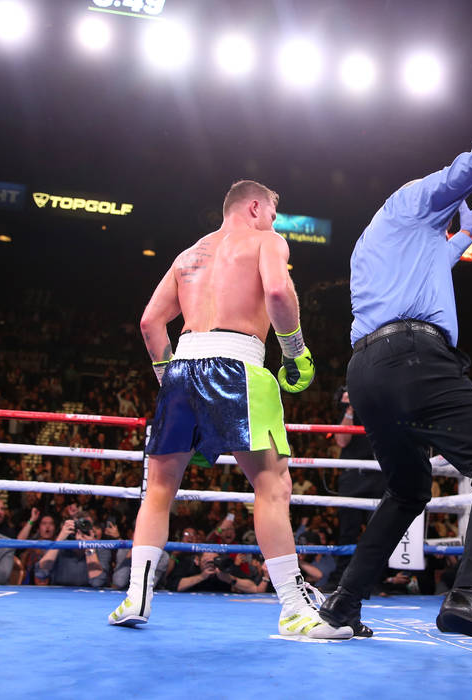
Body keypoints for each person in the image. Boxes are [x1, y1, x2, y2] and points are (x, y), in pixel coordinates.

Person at [319, 47, 472, 660]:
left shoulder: (384, 243)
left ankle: (342, 605)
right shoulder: (412, 200)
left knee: (408, 490)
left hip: (368, 371)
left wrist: (460, 239)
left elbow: (426, 277)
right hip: (413, 360)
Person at [106, 179, 351, 640]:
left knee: (158, 489)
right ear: (255, 207)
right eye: (273, 214)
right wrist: (295, 351)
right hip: (237, 366)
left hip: (181, 368)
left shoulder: (187, 256)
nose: (276, 224)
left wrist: (169, 381)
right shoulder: (265, 241)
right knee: (272, 484)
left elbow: (150, 322)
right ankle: (294, 610)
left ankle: (136, 595)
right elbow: (278, 294)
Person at [331, 386, 386, 589]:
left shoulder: (378, 409)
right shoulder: (345, 415)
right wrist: (350, 410)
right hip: (353, 477)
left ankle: (375, 581)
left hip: (378, 474)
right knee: (347, 531)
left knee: (378, 531)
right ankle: (340, 580)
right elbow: (342, 441)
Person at [35, 511, 112, 588]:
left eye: (86, 526)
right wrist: (60, 540)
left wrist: (89, 547)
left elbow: (97, 582)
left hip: (89, 595)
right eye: (78, 526)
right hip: (60, 594)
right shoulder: (60, 546)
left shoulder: (101, 548)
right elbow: (41, 573)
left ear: (92, 529)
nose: (81, 530)